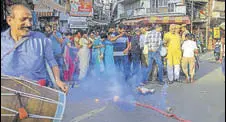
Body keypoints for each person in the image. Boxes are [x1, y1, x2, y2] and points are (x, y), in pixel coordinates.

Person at [1, 4, 68, 92]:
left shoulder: (41, 39)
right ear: (10, 20)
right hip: (7, 92)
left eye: (30, 19)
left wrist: (58, 81)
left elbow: (52, 62)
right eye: (23, 19)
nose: (29, 24)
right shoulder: (2, 40)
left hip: (36, 92)